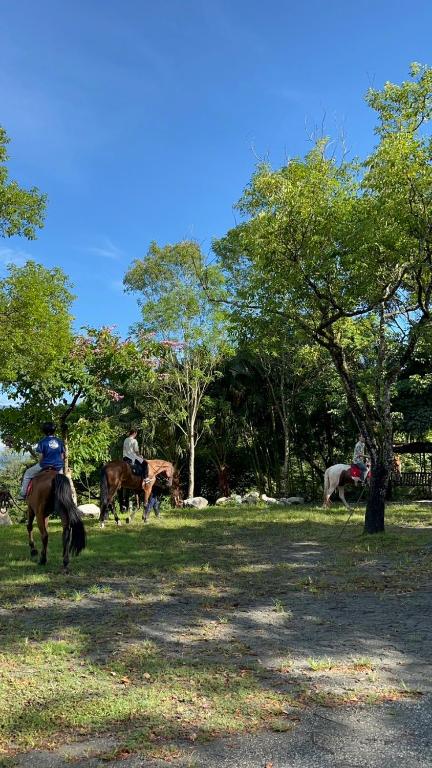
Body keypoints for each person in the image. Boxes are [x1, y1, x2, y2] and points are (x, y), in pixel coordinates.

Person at [19, 422, 65, 499]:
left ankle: (23, 494)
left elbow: (41, 457)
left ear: (44, 431)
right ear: (54, 431)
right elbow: (62, 456)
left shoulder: (42, 442)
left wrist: (40, 463)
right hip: (58, 467)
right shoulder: (60, 441)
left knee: (27, 474)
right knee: (64, 481)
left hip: (45, 465)